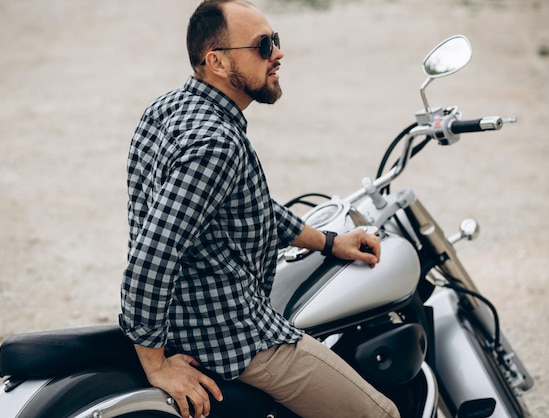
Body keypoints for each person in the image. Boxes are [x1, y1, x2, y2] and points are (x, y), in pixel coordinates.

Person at [119, 1, 400, 417]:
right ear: (215, 62)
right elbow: (152, 257)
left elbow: (243, 207)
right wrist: (156, 365)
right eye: (263, 45)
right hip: (231, 335)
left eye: (277, 41)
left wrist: (328, 241)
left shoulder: (166, 109)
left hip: (192, 319)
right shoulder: (217, 143)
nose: (278, 54)